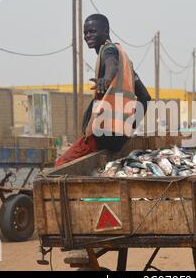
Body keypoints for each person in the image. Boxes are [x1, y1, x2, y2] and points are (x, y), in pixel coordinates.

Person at [55, 14, 151, 167]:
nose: (87, 36)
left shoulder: (109, 49)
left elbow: (110, 62)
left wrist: (106, 78)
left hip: (101, 135)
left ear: (106, 31)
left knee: (61, 164)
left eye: (92, 31)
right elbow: (145, 97)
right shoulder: (126, 63)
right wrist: (131, 126)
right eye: (85, 33)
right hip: (120, 137)